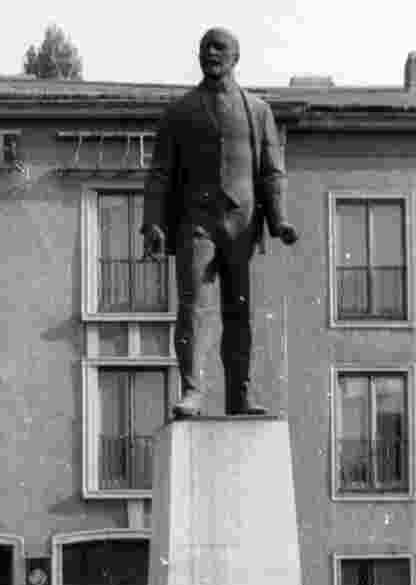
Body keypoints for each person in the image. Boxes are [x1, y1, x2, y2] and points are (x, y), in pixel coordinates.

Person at [141, 26, 298, 418]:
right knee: (192, 306)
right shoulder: (179, 112)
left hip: (241, 225)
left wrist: (278, 221)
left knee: (239, 312)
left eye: (219, 47)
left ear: (235, 57)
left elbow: (271, 171)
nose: (210, 54)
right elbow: (160, 172)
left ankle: (239, 396)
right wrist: (152, 222)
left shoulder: (258, 110)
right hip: (197, 221)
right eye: (204, 48)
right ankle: (192, 391)